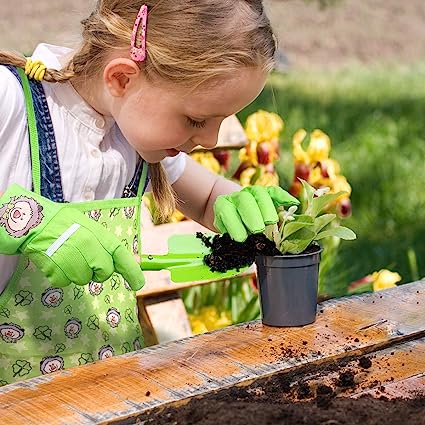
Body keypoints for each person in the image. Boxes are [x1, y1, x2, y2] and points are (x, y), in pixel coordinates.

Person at [0, 0, 299, 385]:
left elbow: (207, 197)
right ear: (122, 79)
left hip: (107, 393)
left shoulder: (130, 132)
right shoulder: (11, 103)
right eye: (196, 119)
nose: (210, 140)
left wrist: (233, 202)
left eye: (220, 122)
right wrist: (27, 220)